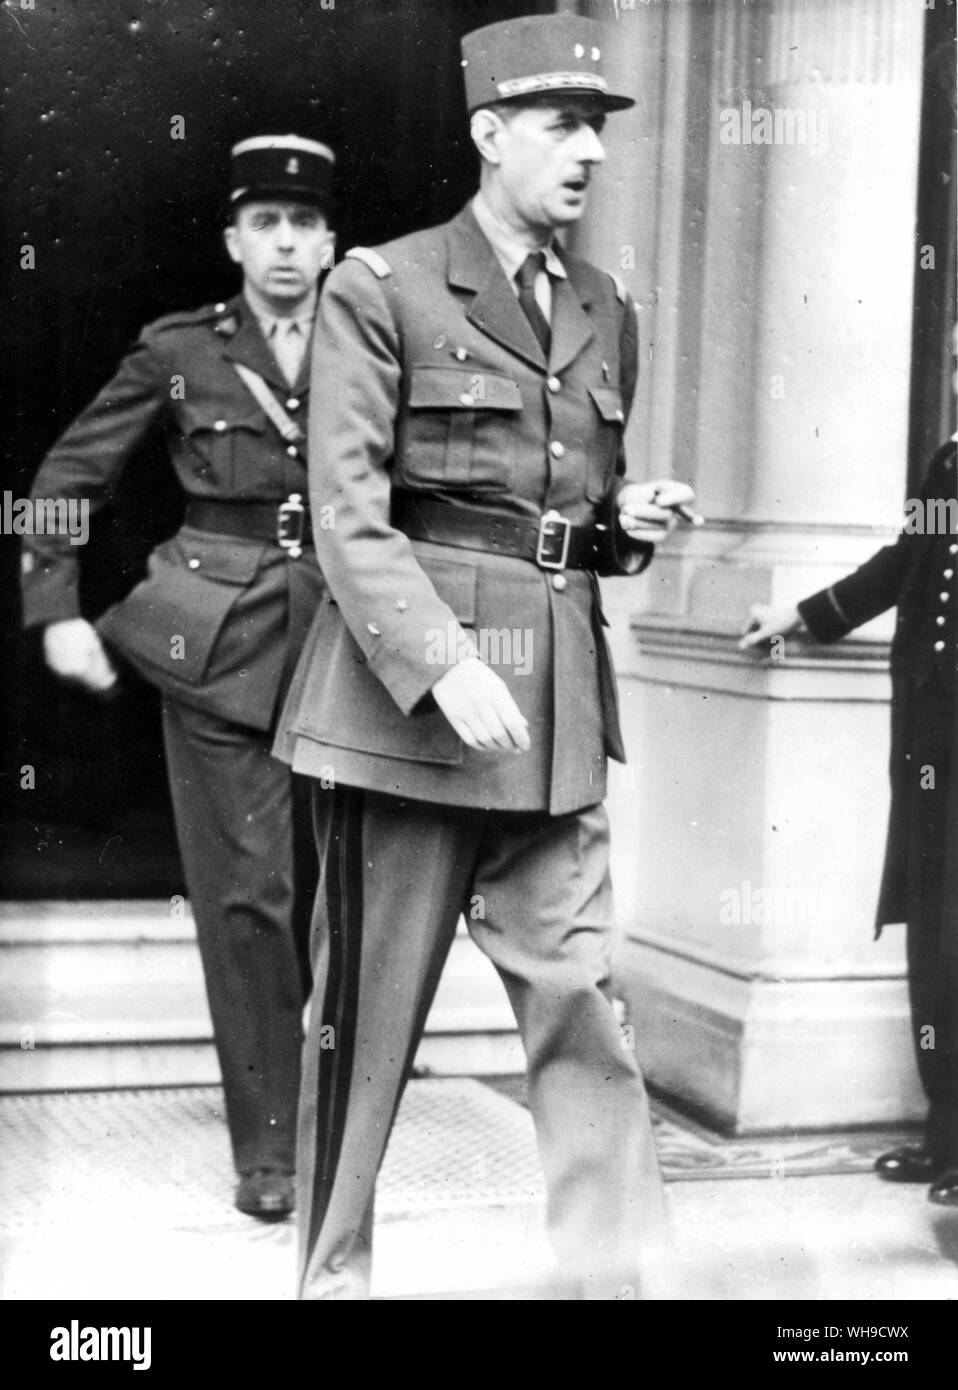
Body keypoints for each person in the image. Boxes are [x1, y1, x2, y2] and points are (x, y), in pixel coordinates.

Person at [275, 14, 695, 1299]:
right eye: (562, 126)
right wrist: (443, 658)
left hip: (557, 720)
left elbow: (559, 509)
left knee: (584, 1010)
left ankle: (611, 1282)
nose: (588, 155)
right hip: (406, 720)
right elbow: (348, 512)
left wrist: (623, 523)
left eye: (599, 130)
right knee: (364, 1029)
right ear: (487, 134)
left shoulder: (604, 307)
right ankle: (332, 1277)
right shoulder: (380, 285)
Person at [20, 134, 337, 1221]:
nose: (285, 244)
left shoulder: (376, 342)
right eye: (265, 224)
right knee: (249, 896)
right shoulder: (178, 350)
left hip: (353, 645)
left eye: (304, 224)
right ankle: (273, 1147)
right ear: (234, 240)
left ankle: (340, 1099)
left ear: (332, 240)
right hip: (220, 645)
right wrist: (52, 611)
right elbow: (63, 478)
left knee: (346, 894)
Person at [742, 423, 958, 1206]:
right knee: (936, 932)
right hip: (933, 726)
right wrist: (804, 614)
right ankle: (947, 1135)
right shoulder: (951, 458)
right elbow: (905, 563)